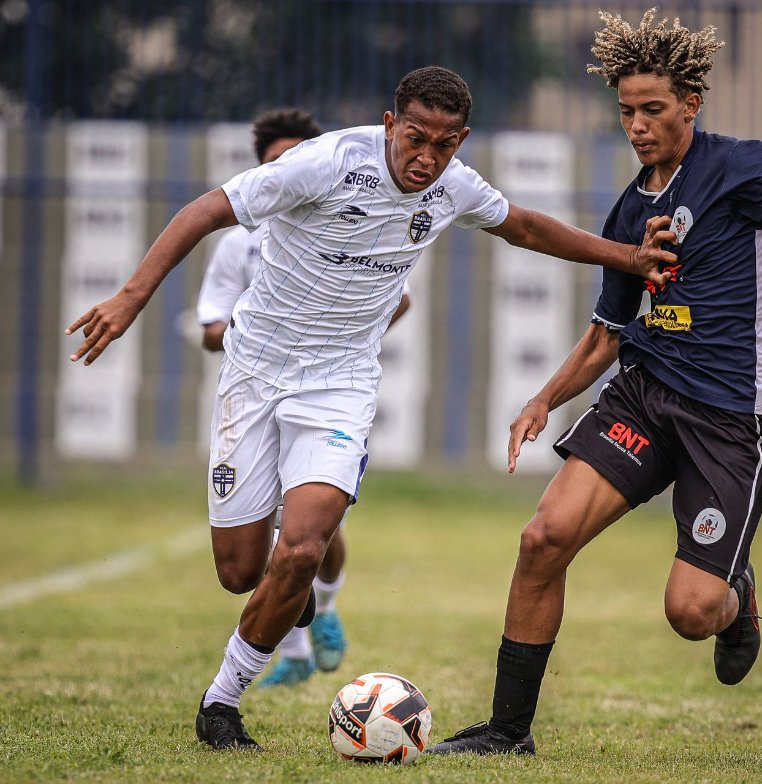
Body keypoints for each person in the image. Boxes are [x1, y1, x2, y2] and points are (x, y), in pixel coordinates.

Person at [65, 65, 675, 751]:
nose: (426, 159)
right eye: (415, 139)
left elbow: (527, 227)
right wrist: (130, 296)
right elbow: (206, 210)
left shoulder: (453, 186)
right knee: (240, 572)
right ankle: (279, 601)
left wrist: (629, 257)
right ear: (391, 125)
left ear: (460, 140)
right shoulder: (324, 163)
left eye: (444, 145)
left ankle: (221, 705)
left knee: (300, 548)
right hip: (255, 372)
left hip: (341, 383)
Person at [429, 9, 762, 756]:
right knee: (542, 539)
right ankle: (507, 732)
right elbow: (607, 333)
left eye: (653, 109)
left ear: (692, 103)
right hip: (646, 393)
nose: (637, 125)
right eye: (626, 110)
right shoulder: (631, 210)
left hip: (732, 419)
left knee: (692, 612)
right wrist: (543, 400)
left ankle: (736, 591)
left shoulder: (746, 169)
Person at [196, 108, 412, 688]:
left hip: (330, 389)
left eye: (296, 158)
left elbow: (402, 298)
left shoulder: (351, 217)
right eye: (275, 162)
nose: (287, 170)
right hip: (256, 384)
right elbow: (211, 326)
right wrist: (255, 329)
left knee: (311, 537)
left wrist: (339, 337)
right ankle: (299, 626)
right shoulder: (239, 243)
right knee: (244, 567)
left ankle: (323, 612)